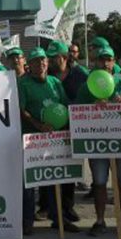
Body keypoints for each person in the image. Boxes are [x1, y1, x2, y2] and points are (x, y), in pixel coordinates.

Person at [75, 45, 121, 237]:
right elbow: (76, 113)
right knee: (99, 182)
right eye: (101, 59)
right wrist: (91, 106)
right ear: (95, 62)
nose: (105, 63)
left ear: (114, 62)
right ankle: (100, 220)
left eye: (108, 59)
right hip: (97, 143)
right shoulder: (87, 86)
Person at [18, 48, 79, 235]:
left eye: (43, 60)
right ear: (29, 65)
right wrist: (38, 124)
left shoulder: (55, 82)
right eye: (36, 61)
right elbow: (21, 109)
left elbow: (65, 104)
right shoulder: (23, 84)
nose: (41, 63)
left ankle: (58, 218)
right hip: (31, 140)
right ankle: (27, 221)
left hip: (54, 139)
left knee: (55, 179)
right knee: (29, 181)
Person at [44, 40, 87, 224]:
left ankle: (68, 207)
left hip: (73, 128)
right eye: (49, 57)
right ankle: (49, 208)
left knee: (69, 170)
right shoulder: (46, 74)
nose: (49, 61)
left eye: (53, 57)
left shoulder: (80, 74)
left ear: (64, 57)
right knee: (49, 170)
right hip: (50, 130)